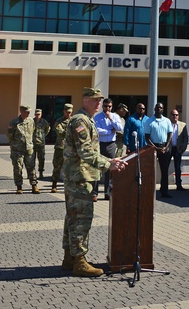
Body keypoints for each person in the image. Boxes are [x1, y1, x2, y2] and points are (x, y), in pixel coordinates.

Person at [61, 86, 127, 277]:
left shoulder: (86, 120)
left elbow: (92, 151)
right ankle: (79, 262)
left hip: (81, 177)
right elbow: (85, 152)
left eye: (100, 99)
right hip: (80, 178)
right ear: (85, 101)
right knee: (81, 220)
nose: (99, 103)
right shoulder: (80, 121)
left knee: (73, 218)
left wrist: (110, 160)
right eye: (95, 99)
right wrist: (108, 165)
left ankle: (69, 258)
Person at [93, 98, 124, 198]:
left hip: (111, 144)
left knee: (109, 169)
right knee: (97, 169)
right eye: (106, 106)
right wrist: (110, 131)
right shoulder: (97, 117)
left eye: (109, 106)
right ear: (103, 106)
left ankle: (107, 192)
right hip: (100, 144)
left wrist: (111, 119)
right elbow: (97, 130)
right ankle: (94, 193)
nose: (107, 108)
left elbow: (120, 128)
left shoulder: (115, 116)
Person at [7, 104, 38, 194]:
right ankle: (19, 186)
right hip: (17, 150)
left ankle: (34, 185)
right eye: (26, 112)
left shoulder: (31, 121)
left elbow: (33, 131)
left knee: (31, 167)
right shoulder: (14, 122)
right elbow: (10, 135)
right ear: (21, 111)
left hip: (29, 148)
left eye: (29, 112)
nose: (28, 113)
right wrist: (14, 145)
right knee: (18, 168)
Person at [146, 102, 174, 199]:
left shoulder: (167, 121)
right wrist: (155, 148)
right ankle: (150, 191)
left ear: (163, 109)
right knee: (151, 171)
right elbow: (147, 137)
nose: (159, 109)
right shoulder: (149, 121)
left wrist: (166, 147)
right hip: (153, 148)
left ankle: (164, 191)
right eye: (157, 108)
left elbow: (170, 134)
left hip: (164, 147)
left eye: (161, 108)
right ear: (154, 109)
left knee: (164, 171)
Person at [51, 103, 74, 192]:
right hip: (60, 147)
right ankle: (54, 185)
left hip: (71, 148)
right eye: (67, 112)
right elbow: (60, 132)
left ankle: (69, 186)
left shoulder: (74, 121)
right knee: (57, 167)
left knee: (70, 168)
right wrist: (71, 131)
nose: (68, 114)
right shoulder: (59, 121)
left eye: (70, 112)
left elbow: (80, 130)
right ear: (64, 111)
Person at [167, 108, 188, 191]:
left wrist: (184, 147)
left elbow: (185, 138)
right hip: (169, 149)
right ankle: (164, 186)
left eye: (176, 115)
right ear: (170, 116)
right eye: (173, 115)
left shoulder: (183, 125)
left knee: (178, 167)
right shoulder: (167, 124)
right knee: (165, 167)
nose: (175, 116)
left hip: (178, 149)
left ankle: (179, 185)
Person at [31, 109, 50, 178]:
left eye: (39, 114)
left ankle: (41, 172)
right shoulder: (31, 121)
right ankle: (32, 173)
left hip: (41, 143)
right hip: (33, 143)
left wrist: (43, 136)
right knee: (32, 159)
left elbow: (47, 129)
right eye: (36, 114)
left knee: (41, 159)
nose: (37, 116)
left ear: (41, 114)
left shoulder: (44, 122)